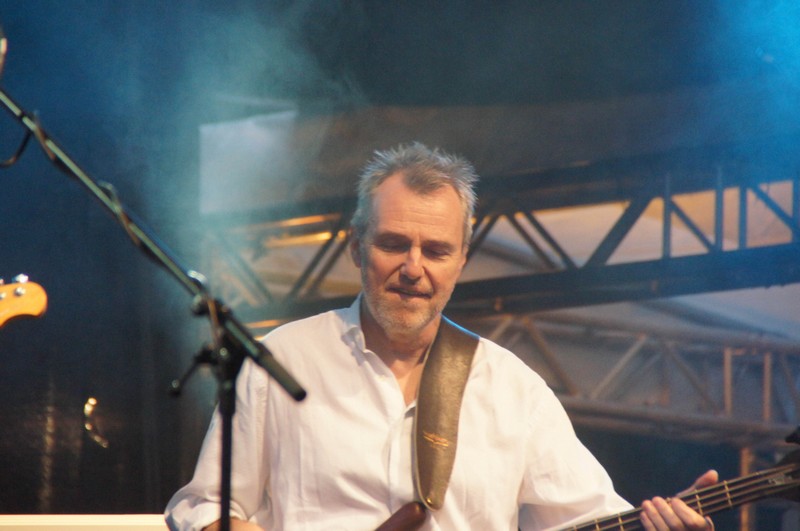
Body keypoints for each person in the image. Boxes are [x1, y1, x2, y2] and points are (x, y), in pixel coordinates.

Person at [165, 143, 717, 530]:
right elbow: (202, 508)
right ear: (356, 248)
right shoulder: (280, 359)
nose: (413, 268)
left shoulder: (514, 390)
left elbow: (592, 518)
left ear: (461, 262)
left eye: (435, 251)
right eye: (393, 244)